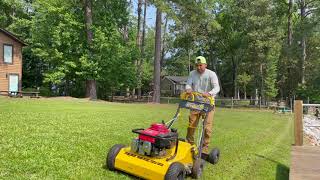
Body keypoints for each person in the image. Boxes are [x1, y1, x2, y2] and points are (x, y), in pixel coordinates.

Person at [185, 56, 220, 154]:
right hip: (196, 103)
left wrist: (209, 93)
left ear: (205, 65)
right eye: (197, 65)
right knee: (191, 125)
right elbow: (188, 84)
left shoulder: (211, 74)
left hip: (208, 104)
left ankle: (204, 149)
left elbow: (217, 88)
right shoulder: (192, 73)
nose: (198, 67)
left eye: (200, 65)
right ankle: (190, 145)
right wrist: (188, 89)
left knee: (207, 128)